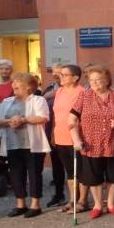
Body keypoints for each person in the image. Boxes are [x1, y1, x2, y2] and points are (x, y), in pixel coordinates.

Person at [69, 65, 114, 219]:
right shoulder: (84, 96)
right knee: (94, 176)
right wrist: (76, 139)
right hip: (90, 144)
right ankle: (97, 205)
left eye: (98, 80)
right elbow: (72, 119)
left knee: (113, 176)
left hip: (112, 143)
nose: (95, 83)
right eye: (92, 80)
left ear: (107, 80)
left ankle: (110, 204)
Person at [0, 73, 51, 218]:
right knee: (15, 174)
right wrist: (10, 122)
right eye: (13, 85)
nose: (14, 88)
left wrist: (23, 120)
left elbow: (43, 117)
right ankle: (20, 204)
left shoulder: (38, 100)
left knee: (34, 174)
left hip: (33, 144)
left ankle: (35, 204)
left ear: (29, 87)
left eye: (18, 86)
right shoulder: (7, 101)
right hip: (13, 144)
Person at [52, 64, 87, 213]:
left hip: (76, 137)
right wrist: (53, 134)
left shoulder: (82, 92)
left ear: (75, 78)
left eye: (65, 75)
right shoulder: (59, 91)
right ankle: (72, 199)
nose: (61, 77)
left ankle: (82, 201)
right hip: (60, 135)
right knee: (69, 171)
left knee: (80, 170)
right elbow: (56, 114)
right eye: (61, 74)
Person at [43, 63, 67, 207]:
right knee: (56, 165)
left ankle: (77, 198)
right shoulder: (49, 89)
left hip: (69, 131)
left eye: (60, 72)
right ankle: (59, 194)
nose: (57, 74)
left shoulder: (75, 89)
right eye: (54, 72)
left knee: (73, 167)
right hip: (52, 130)